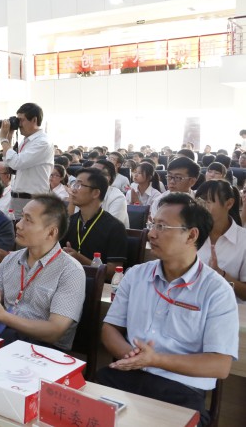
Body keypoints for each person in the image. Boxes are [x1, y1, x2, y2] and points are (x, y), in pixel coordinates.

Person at [98, 193, 238, 426]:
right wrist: (131, 356)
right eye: (152, 224)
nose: (151, 233)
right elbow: (110, 328)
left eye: (162, 227)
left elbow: (220, 366)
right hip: (126, 375)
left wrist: (155, 360)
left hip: (181, 389)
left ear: (191, 235)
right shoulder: (136, 275)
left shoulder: (217, 291)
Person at [0, 194, 85, 350]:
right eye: (21, 218)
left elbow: (55, 331)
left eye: (28, 220)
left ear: (51, 233)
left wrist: (4, 317)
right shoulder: (10, 260)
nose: (18, 225)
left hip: (44, 350)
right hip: (6, 338)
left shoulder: (70, 271)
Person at [61, 168, 127, 280]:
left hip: (97, 286)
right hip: (67, 280)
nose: (73, 190)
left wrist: (79, 258)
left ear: (95, 193)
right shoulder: (69, 221)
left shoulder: (115, 227)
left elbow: (114, 271)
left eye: (79, 185)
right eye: (74, 184)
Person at [195, 180, 246, 302]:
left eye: (208, 201)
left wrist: (221, 274)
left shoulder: (243, 240)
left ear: (229, 204)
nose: (201, 207)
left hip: (229, 309)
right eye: (199, 201)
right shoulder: (190, 234)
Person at [0, 103, 54, 213]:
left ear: (34, 120)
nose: (18, 124)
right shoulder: (26, 141)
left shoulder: (42, 142)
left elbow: (17, 163)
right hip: (18, 198)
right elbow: (9, 164)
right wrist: (9, 138)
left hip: (33, 200)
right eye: (17, 120)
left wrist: (3, 139)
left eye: (21, 120)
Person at [92, 160, 130, 228]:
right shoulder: (84, 192)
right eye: (89, 171)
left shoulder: (117, 198)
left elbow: (110, 228)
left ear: (107, 178)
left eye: (94, 173)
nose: (89, 176)